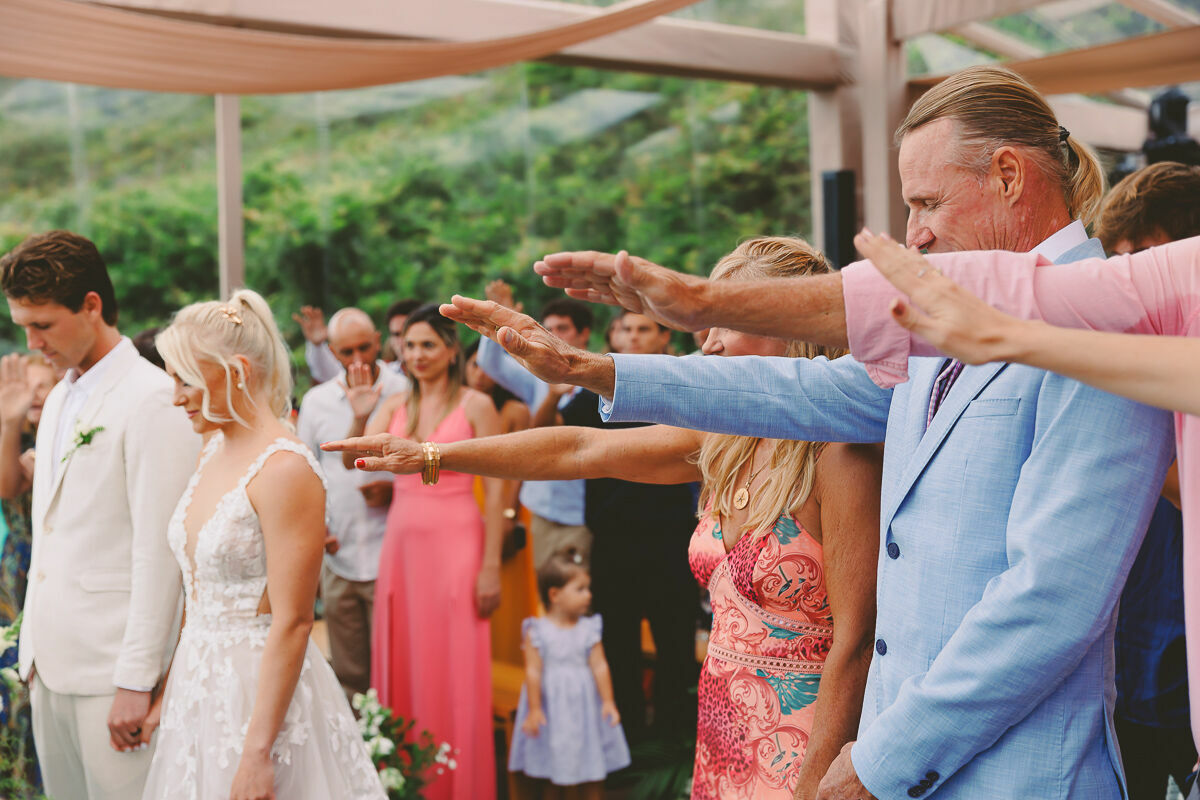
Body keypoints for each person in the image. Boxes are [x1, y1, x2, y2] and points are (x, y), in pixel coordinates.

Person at [445, 66, 1177, 800]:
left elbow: (1050, 602)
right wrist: (600, 371)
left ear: (1010, 176)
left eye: (927, 203)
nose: (915, 232)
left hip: (1013, 777)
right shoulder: (950, 318)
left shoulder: (1103, 322)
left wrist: (877, 760)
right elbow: (798, 388)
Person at [325, 236, 883, 800]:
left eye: (723, 322)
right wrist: (431, 456)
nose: (707, 346)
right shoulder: (725, 438)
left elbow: (857, 642)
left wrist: (815, 785)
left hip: (808, 743)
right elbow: (579, 450)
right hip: (723, 731)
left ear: (789, 328)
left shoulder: (840, 456)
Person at [137, 289, 385, 800]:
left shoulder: (285, 468)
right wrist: (172, 689)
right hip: (197, 687)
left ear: (237, 371)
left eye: (184, 378)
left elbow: (294, 621)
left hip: (260, 696)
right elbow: (197, 585)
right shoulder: (212, 449)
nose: (176, 395)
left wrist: (256, 752)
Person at [0, 230, 199, 800]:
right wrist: (31, 650)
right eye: (23, 327)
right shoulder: (60, 396)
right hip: (49, 664)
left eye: (43, 324)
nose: (34, 342)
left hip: (114, 672)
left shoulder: (154, 398)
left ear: (91, 306)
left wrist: (138, 680)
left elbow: (159, 553)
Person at [351, 304, 504, 800]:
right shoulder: (394, 404)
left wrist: (491, 565)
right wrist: (359, 411)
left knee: (456, 659)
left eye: (427, 345)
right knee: (405, 655)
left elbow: (502, 486)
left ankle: (459, 784)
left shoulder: (477, 404)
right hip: (402, 543)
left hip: (458, 540)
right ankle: (403, 780)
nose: (415, 354)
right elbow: (362, 460)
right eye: (409, 345)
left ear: (451, 349)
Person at [296, 307, 409, 704]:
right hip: (338, 547)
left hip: (394, 550)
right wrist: (316, 526)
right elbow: (304, 471)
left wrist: (393, 492)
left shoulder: (405, 391)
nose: (358, 360)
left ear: (379, 342)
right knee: (347, 670)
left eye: (365, 348)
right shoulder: (316, 401)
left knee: (396, 664)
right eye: (347, 353)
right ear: (332, 351)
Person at [476, 286, 594, 570]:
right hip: (539, 508)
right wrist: (499, 319)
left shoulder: (598, 380)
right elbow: (489, 363)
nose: (553, 335)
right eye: (548, 328)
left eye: (562, 328)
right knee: (546, 596)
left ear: (584, 333)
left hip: (581, 513)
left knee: (578, 599)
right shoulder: (537, 377)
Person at [508, 548, 630, 797]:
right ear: (555, 595)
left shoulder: (589, 628)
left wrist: (608, 702)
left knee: (592, 771)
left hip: (585, 709)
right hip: (553, 711)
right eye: (580, 589)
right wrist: (534, 709)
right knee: (553, 772)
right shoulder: (537, 631)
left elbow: (599, 665)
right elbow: (532, 671)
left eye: (588, 588)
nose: (588, 595)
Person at [0, 352, 57, 792]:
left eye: (43, 387)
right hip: (14, 581)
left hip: (53, 581)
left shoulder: (64, 445)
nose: (35, 397)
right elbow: (7, 484)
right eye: (28, 389)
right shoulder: (19, 448)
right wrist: (9, 423)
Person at [296, 299, 422, 383]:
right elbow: (332, 375)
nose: (404, 340)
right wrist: (317, 346)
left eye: (408, 332)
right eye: (396, 334)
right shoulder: (383, 375)